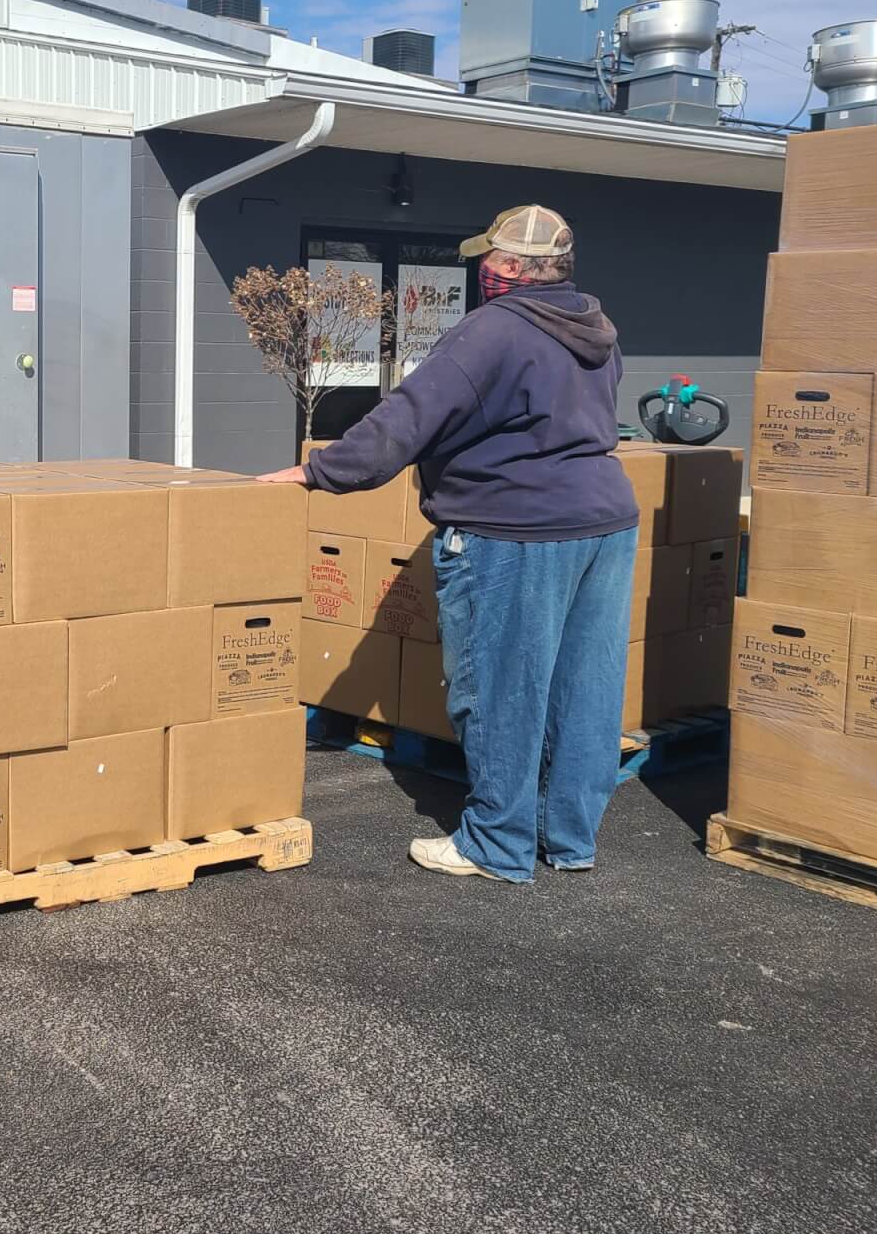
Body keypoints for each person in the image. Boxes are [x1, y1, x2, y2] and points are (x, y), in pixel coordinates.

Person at [260, 205, 637, 883]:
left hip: (515, 530)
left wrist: (318, 472)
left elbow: (411, 416)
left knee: (499, 686)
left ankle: (495, 843)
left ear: (517, 268)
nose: (482, 270)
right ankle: (570, 839)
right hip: (604, 526)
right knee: (583, 689)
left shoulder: (494, 330)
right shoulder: (595, 328)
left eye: (491, 260)